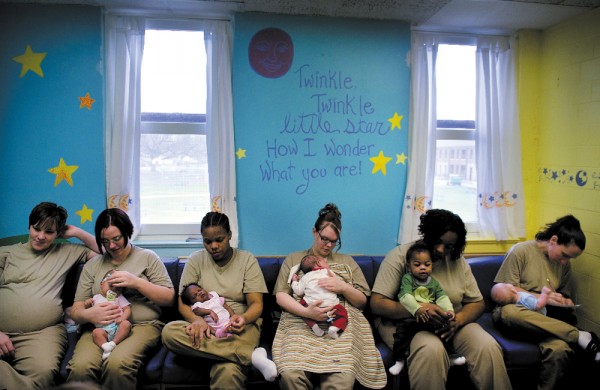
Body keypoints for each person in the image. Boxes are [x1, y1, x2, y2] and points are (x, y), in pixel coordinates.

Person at [371, 208, 512, 390]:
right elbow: (376, 304)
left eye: (449, 246)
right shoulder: (399, 257)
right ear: (427, 233)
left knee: (487, 347)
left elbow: (477, 303)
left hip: (451, 324)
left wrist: (457, 321)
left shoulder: (456, 261)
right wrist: (420, 308)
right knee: (430, 350)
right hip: (408, 325)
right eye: (437, 241)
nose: (440, 250)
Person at [272, 203, 387, 390]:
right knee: (290, 375)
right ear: (314, 232)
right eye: (324, 239)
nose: (328, 245)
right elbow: (281, 297)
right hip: (300, 324)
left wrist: (342, 287)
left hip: (340, 327)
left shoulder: (347, 262)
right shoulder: (295, 260)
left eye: (334, 241)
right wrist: (307, 312)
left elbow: (362, 301)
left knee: (342, 379)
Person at [161, 211, 278, 387]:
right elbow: (183, 303)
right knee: (169, 332)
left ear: (230, 235)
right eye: (207, 242)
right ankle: (252, 356)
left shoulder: (246, 260)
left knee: (227, 372)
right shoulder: (195, 260)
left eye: (219, 240)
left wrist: (243, 318)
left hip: (239, 325)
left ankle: (225, 351)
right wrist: (197, 320)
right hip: (207, 326)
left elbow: (256, 304)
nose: (213, 246)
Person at [66, 208, 175, 389]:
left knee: (117, 365)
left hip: (141, 326)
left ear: (127, 232)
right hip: (98, 329)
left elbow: (169, 298)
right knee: (80, 368)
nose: (112, 246)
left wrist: (136, 282)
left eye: (116, 239)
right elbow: (76, 310)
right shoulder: (93, 265)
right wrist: (89, 315)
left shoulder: (147, 258)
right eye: (105, 241)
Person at [492, 215, 600, 390]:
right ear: (553, 240)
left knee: (560, 350)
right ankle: (579, 335)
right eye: (564, 255)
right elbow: (504, 290)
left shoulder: (563, 265)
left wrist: (563, 301)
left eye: (570, 259)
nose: (565, 262)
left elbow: (560, 292)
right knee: (509, 312)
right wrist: (539, 297)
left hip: (545, 320)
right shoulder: (520, 251)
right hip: (518, 314)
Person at [0, 201, 98, 390]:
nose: (40, 236)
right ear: (29, 226)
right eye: (36, 229)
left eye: (49, 232)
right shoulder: (8, 253)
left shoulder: (67, 252)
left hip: (42, 333)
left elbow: (106, 252)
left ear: (58, 233)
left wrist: (77, 232)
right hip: (2, 331)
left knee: (44, 374)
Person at [389, 240, 466, 376]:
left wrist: (449, 311)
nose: (423, 268)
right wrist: (417, 309)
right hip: (413, 317)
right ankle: (399, 360)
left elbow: (442, 297)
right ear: (409, 267)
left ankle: (451, 355)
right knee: (401, 334)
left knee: (445, 331)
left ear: (432, 266)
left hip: (430, 319)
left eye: (427, 264)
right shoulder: (408, 279)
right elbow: (405, 296)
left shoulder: (434, 283)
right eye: (417, 265)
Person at [290, 254, 348, 338]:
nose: (327, 263)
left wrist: (294, 281)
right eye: (325, 261)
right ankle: (334, 327)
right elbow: (337, 284)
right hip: (331, 305)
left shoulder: (305, 277)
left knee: (301, 307)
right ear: (319, 263)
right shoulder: (328, 272)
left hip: (311, 305)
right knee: (342, 314)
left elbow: (298, 292)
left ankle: (314, 326)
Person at [85, 269, 132, 360]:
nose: (114, 290)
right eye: (111, 286)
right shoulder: (96, 298)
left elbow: (127, 309)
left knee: (126, 324)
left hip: (117, 326)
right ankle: (105, 347)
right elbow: (89, 313)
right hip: (103, 329)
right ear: (101, 285)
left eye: (118, 288)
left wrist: (123, 318)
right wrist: (87, 304)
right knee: (96, 333)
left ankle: (113, 343)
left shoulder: (119, 297)